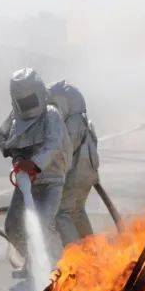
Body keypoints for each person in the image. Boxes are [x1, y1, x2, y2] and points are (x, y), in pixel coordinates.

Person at [0, 68, 72, 271]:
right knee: (13, 228)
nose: (27, 105)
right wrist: (12, 153)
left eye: (30, 99)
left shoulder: (51, 115)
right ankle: (33, 262)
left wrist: (34, 163)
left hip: (51, 182)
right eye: (23, 101)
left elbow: (53, 145)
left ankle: (59, 269)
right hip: (26, 183)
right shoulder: (15, 118)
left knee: (44, 226)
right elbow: (0, 135)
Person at [49, 80, 100, 246]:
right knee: (77, 212)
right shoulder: (83, 120)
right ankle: (91, 252)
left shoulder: (73, 123)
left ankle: (75, 258)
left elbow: (64, 151)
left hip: (76, 174)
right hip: (88, 173)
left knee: (61, 213)